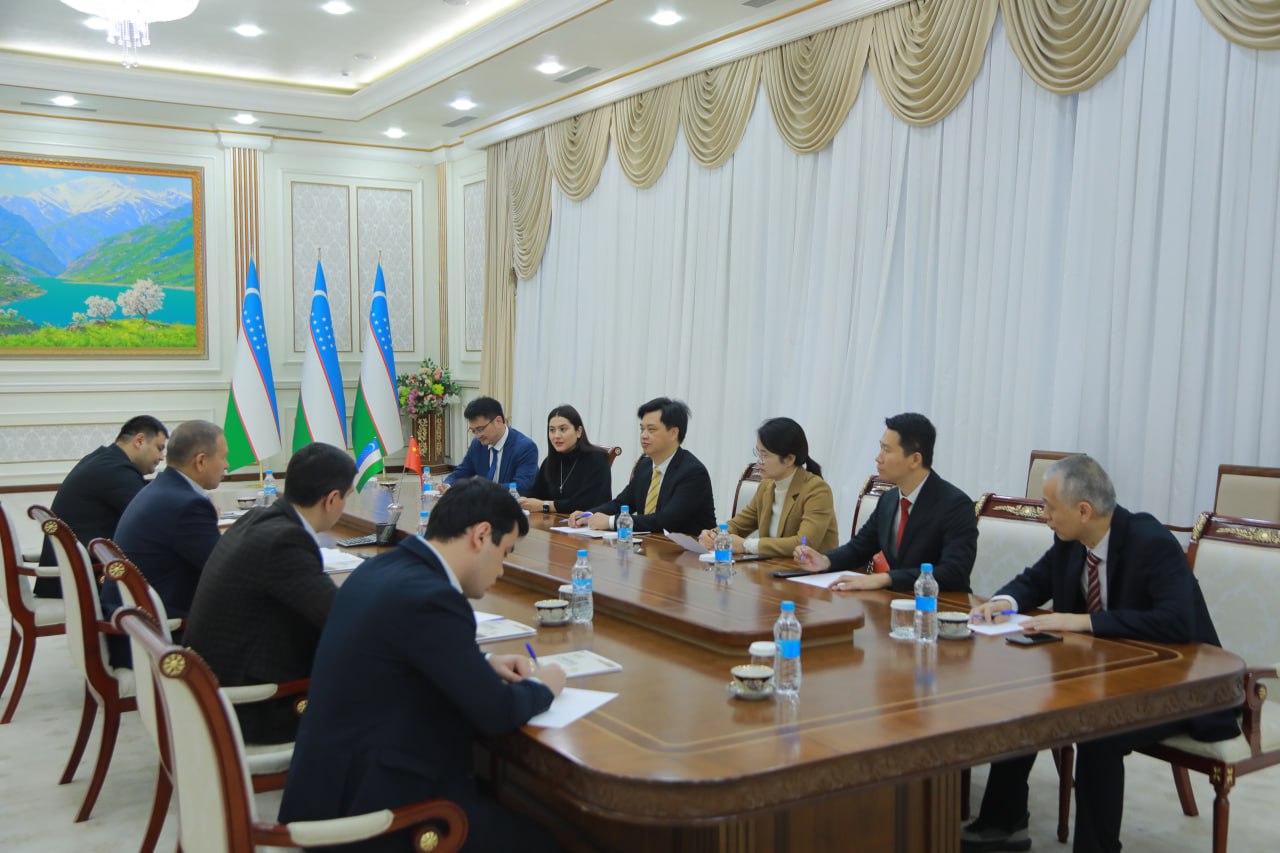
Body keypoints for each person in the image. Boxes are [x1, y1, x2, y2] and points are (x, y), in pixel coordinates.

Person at [963, 455, 1238, 853]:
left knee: (1098, 731)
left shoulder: (1151, 542)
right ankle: (1002, 823)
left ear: (1083, 510)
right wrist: (1002, 602)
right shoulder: (1071, 540)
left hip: (1181, 685)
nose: (1044, 516)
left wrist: (1083, 622)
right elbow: (1035, 580)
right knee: (1024, 701)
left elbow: (1176, 622)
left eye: (1049, 507)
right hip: (1109, 675)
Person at [277, 478, 567, 852]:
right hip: (374, 820)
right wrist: (543, 686)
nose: (501, 570)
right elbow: (496, 712)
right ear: (481, 535)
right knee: (548, 842)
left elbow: (404, 652)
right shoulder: (433, 597)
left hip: (329, 793)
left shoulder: (382, 567)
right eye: (505, 552)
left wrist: (482, 662)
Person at [183, 443, 357, 745]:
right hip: (251, 709)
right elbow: (340, 619)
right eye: (347, 497)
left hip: (214, 689)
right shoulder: (285, 540)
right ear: (332, 499)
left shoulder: (257, 519)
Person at [793, 412, 977, 592]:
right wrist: (825, 561)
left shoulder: (955, 505)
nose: (878, 457)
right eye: (880, 448)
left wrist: (886, 578)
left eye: (887, 450)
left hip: (941, 605)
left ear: (915, 459)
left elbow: (954, 572)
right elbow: (859, 548)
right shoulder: (889, 499)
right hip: (898, 601)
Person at [102, 419, 229, 668]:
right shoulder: (187, 504)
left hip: (133, 628)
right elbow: (225, 569)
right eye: (223, 457)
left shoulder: (164, 488)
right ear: (201, 461)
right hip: (156, 641)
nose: (227, 465)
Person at [35, 415, 168, 598]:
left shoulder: (104, 460)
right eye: (159, 448)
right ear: (139, 441)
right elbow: (153, 519)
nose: (161, 457)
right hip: (81, 584)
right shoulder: (116, 470)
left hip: (69, 578)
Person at [570, 397, 715, 537]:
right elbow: (621, 503)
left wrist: (611, 522)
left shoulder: (692, 473)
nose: (643, 436)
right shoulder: (644, 466)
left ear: (673, 433)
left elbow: (666, 521)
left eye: (651, 430)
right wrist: (589, 515)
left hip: (687, 551)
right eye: (642, 429)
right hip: (650, 546)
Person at [697, 417, 839, 557]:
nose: (759, 461)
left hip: (808, 569)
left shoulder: (817, 490)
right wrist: (714, 534)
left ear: (789, 459)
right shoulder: (767, 486)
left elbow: (804, 543)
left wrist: (746, 545)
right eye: (758, 453)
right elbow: (740, 523)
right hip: (772, 566)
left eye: (764, 455)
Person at [518, 404, 613, 515]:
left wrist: (544, 505)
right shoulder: (550, 461)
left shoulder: (597, 459)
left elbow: (586, 502)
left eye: (563, 429)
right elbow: (535, 493)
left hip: (587, 523)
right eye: (552, 430)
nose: (556, 436)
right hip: (554, 522)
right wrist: (521, 500)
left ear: (578, 431)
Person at [441, 396, 538, 494]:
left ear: (498, 421)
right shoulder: (477, 444)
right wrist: (447, 485)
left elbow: (521, 486)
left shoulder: (525, 447)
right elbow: (462, 472)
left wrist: (480, 490)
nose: (477, 435)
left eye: (480, 429)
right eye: (473, 431)